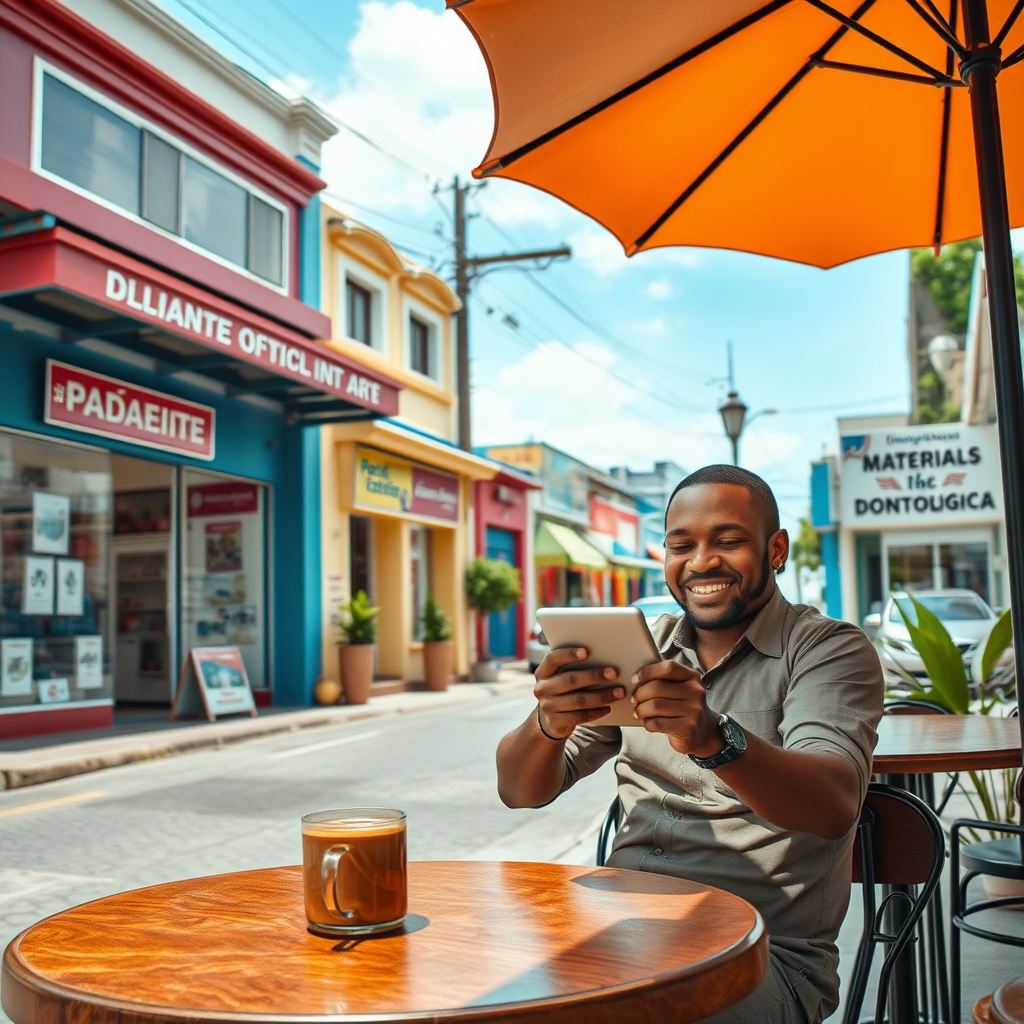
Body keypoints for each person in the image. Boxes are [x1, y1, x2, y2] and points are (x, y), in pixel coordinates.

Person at [496, 465, 884, 1024]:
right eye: (682, 545)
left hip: (762, 955)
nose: (701, 562)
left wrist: (711, 737)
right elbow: (518, 792)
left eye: (727, 541)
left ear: (776, 549)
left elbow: (832, 804)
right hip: (620, 928)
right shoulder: (639, 646)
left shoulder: (826, 649)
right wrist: (548, 722)